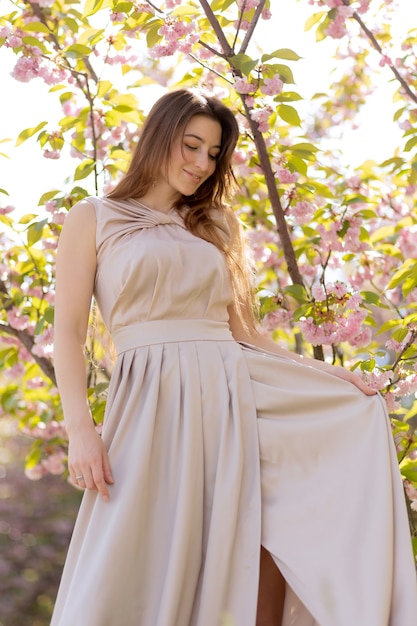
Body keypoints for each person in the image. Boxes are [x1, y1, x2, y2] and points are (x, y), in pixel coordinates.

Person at [51, 88, 417, 626]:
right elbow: (67, 333)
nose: (202, 164)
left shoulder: (215, 224)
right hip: (151, 402)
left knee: (257, 529)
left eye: (214, 153)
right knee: (126, 555)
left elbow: (249, 335)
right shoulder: (93, 218)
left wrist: (336, 375)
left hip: (234, 387)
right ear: (159, 138)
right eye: (191, 145)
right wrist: (80, 431)